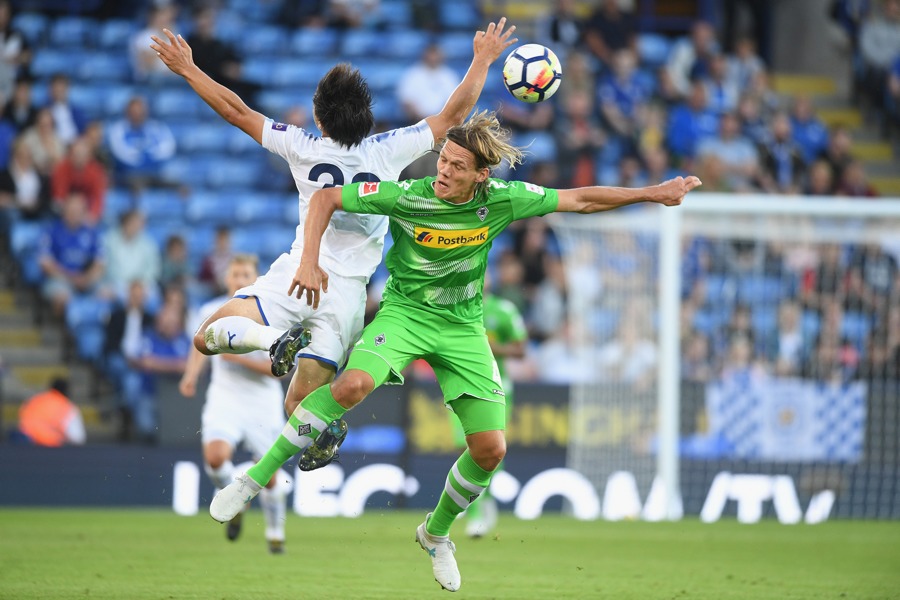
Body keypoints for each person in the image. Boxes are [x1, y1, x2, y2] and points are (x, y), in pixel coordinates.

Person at [211, 111, 701, 592]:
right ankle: (252, 482)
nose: (443, 172)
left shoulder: (505, 200)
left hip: (464, 328)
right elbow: (324, 199)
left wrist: (652, 193)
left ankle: (435, 533)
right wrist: (311, 261)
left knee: (491, 450)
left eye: (456, 167)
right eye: (442, 161)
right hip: (405, 316)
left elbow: (581, 200)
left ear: (480, 177)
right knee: (353, 384)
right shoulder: (408, 195)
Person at [149, 18, 518, 435]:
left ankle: (271, 342)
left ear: (319, 118)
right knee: (299, 410)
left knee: (205, 336)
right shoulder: (389, 149)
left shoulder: (300, 145)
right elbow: (453, 114)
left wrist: (188, 69)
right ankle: (330, 430)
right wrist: (483, 58)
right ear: (366, 116)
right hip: (345, 298)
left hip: (297, 276)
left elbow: (237, 111)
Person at [179, 254, 290, 552]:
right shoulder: (210, 310)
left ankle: (275, 532)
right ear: (227, 278)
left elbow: (279, 371)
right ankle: (235, 501)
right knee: (215, 459)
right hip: (224, 398)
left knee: (269, 476)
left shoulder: (272, 316)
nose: (240, 280)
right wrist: (191, 376)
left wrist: (238, 360)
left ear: (256, 279)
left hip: (262, 402)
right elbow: (199, 346)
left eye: (246, 275)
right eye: (235, 275)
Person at [450, 271, 526, 537]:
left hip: (496, 384)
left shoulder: (503, 311)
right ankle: (480, 506)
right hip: (460, 383)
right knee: (466, 446)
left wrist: (486, 347)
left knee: (490, 446)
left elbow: (521, 349)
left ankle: (477, 510)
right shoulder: (454, 308)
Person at [14, 378, 85, 447]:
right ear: (67, 391)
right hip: (49, 448)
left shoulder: (35, 399)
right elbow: (77, 438)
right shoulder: (67, 407)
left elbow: (22, 419)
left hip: (24, 444)